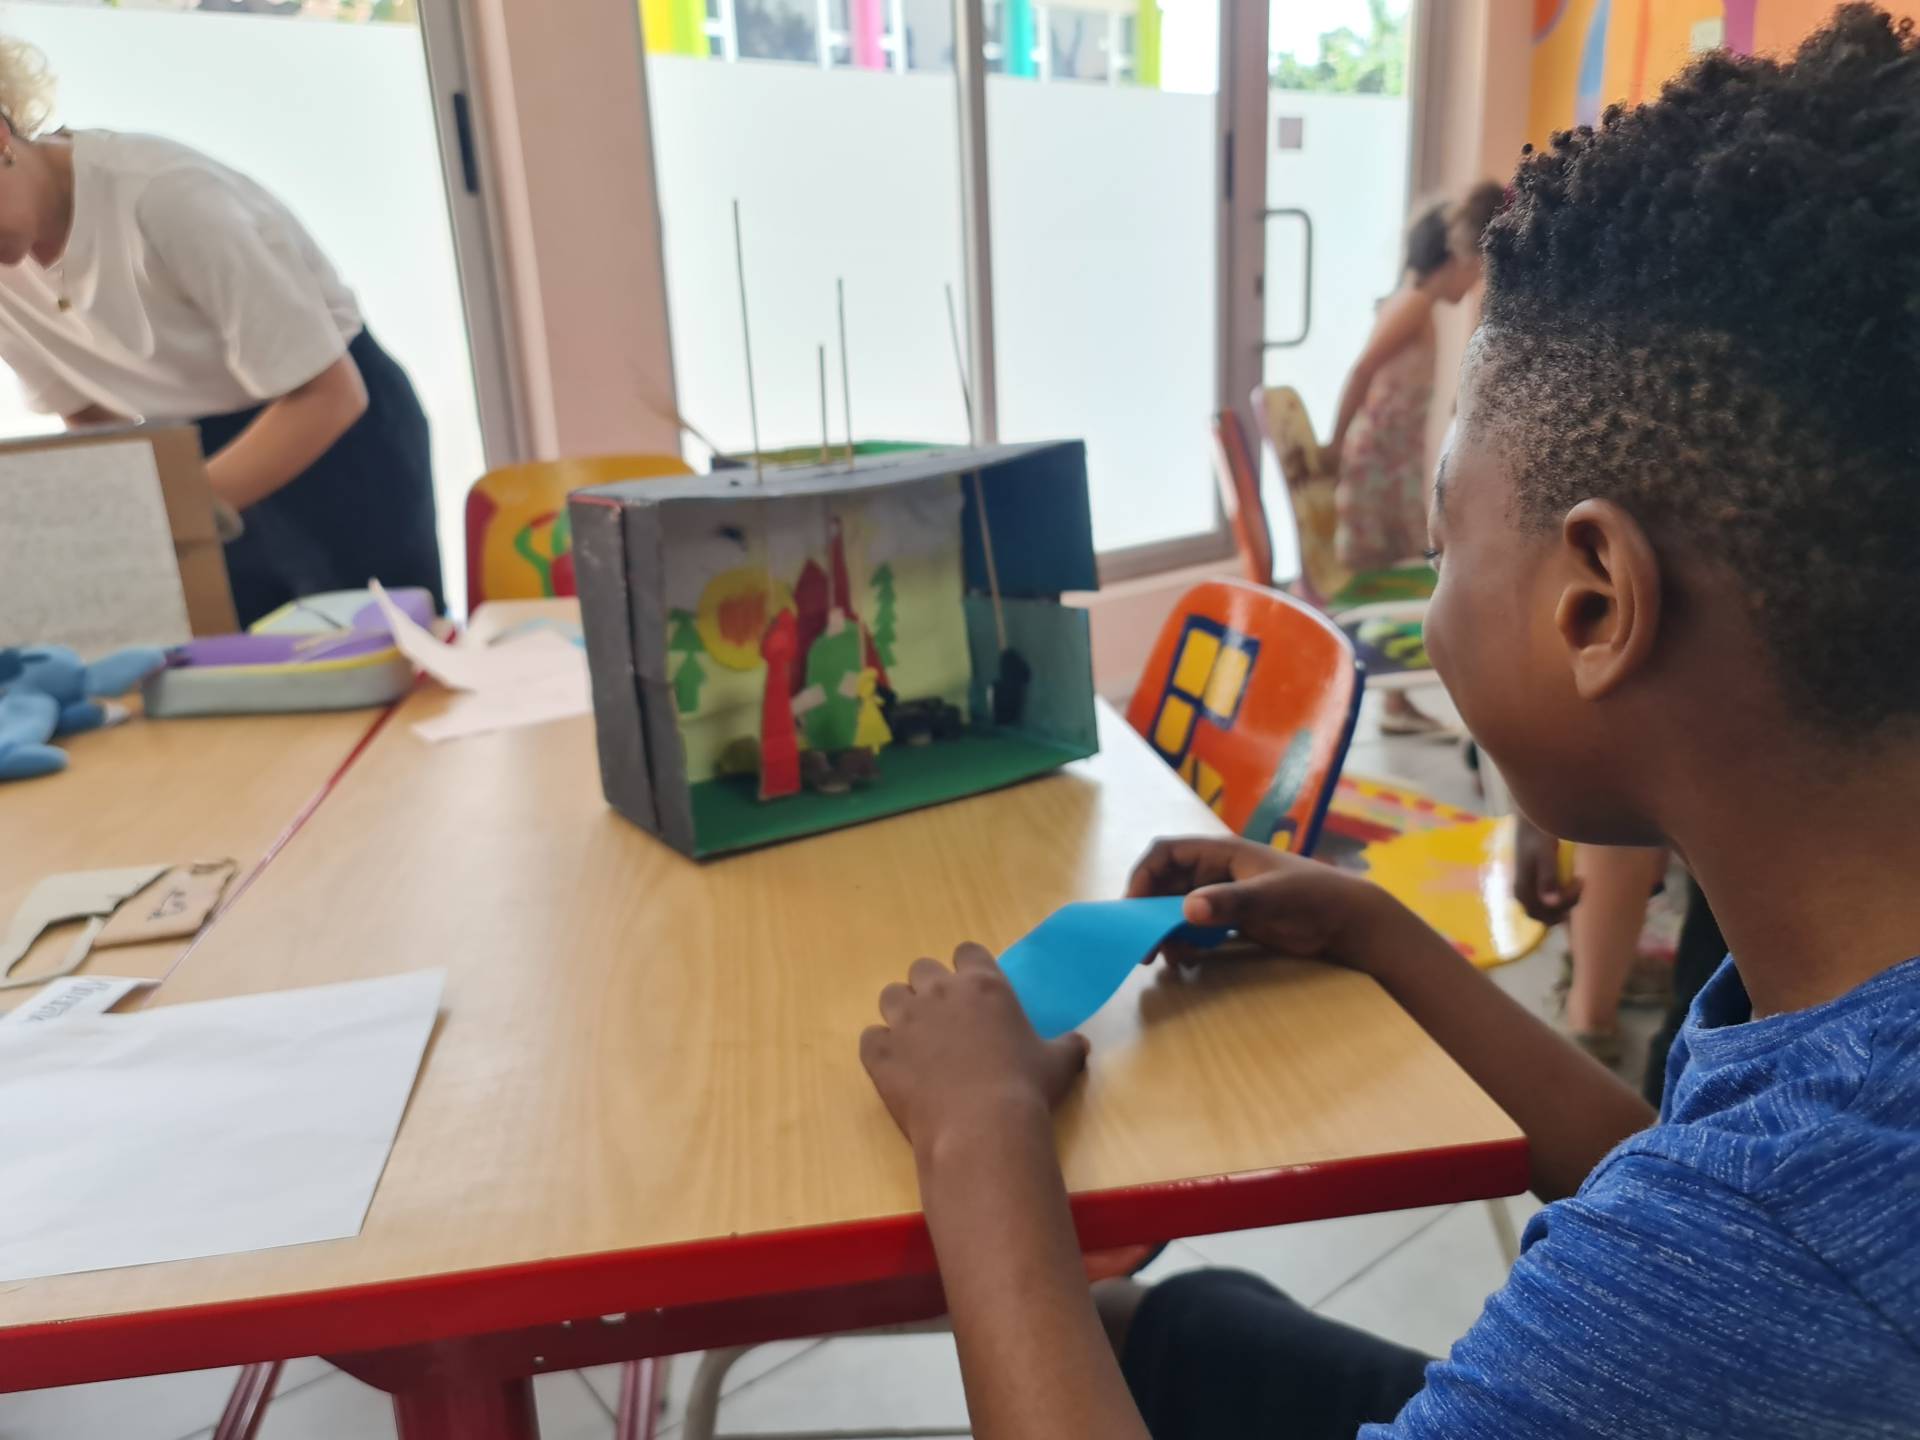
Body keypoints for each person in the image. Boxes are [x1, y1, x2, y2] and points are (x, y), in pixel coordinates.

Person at [858, 10, 1920, 1437]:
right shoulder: (1843, 1041)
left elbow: (1722, 1242)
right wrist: (1380, 932)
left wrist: (977, 1136)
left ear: (1596, 602)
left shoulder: (1759, 1248)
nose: (1432, 584)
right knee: (1183, 1326)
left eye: (1441, 542)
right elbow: (1666, 1164)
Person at [0, 38, 442, 626]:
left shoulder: (164, 194)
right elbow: (91, 417)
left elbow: (333, 394)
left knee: (379, 649)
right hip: (192, 451)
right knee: (233, 661)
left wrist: (169, 517)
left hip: (334, 431)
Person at [1323, 181, 1501, 735]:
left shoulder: (1417, 307)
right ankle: (1364, 694)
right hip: (1375, 465)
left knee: (1402, 552)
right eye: (1476, 269)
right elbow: (1361, 370)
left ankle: (1396, 705)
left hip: (1392, 466)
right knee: (1385, 562)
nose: (1476, 281)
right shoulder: (1413, 306)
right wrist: (1333, 445)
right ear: (1456, 257)